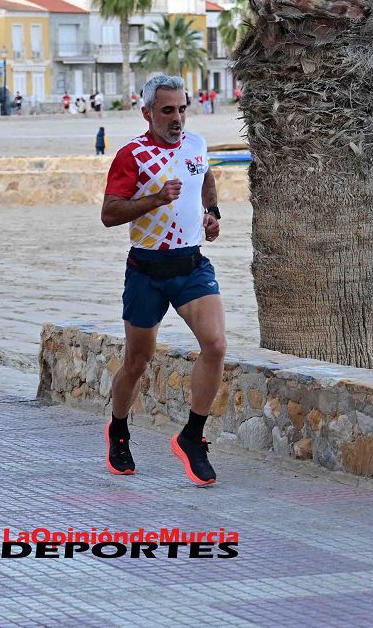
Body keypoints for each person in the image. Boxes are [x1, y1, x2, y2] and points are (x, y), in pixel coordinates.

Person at [100, 74, 226, 486]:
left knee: (216, 344)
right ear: (148, 112)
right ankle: (118, 430)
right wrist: (155, 198)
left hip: (190, 265)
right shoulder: (131, 155)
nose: (177, 118)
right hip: (146, 270)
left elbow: (205, 177)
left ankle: (192, 436)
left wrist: (212, 213)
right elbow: (110, 214)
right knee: (137, 362)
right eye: (168, 110)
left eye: (182, 109)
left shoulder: (196, 145)